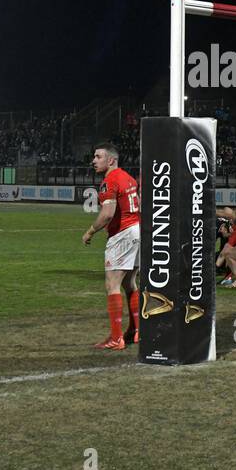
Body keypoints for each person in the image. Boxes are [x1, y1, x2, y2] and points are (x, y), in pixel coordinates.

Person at [82, 144, 140, 350]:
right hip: (136, 230)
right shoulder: (129, 178)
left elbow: (107, 214)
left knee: (112, 285)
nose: (93, 160)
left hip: (123, 233)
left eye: (98, 157)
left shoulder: (110, 180)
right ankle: (135, 330)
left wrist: (90, 231)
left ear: (111, 160)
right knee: (129, 283)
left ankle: (116, 338)